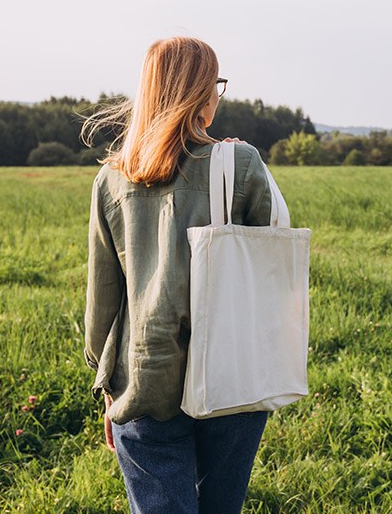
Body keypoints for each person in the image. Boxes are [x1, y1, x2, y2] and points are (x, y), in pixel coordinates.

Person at [80, 36, 273, 513]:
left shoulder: (112, 178)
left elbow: (102, 303)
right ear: (202, 95)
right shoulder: (242, 163)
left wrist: (108, 387)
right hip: (233, 379)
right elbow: (272, 270)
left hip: (145, 378)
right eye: (217, 84)